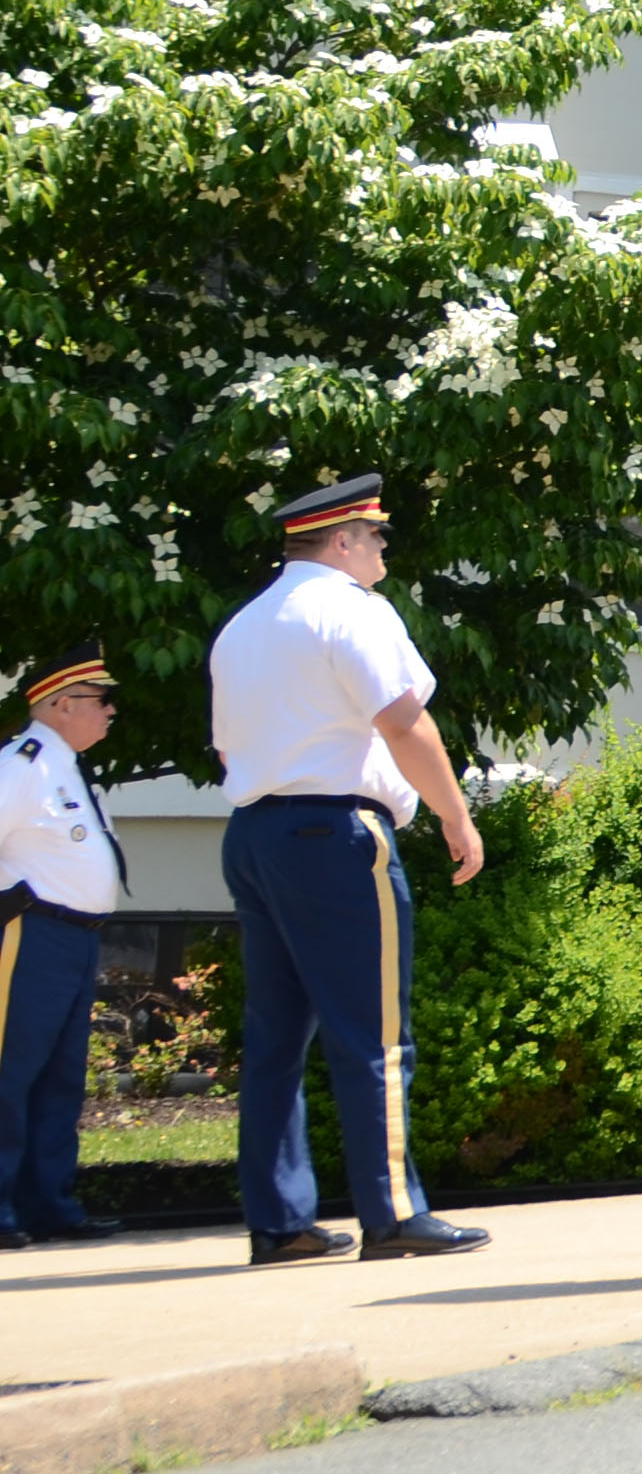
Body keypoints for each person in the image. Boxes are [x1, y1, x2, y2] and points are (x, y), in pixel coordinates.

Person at [214, 476, 489, 1265]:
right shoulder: (351, 609)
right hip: (333, 832)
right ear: (341, 542)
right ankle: (395, 1211)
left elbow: (229, 747)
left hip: (256, 832)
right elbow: (404, 722)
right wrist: (453, 813)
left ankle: (280, 1222)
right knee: (374, 1032)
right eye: (373, 539)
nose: (381, 551)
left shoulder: (243, 624)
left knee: (274, 1038)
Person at [1, 649, 129, 1247]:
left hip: (75, 941)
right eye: (101, 702)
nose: (110, 713)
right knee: (11, 1071)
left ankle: (48, 1204)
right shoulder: (24, 764)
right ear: (60, 705)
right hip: (31, 935)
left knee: (59, 1079)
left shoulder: (68, 767)